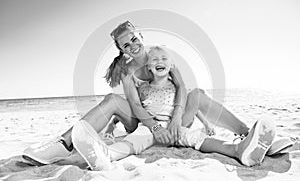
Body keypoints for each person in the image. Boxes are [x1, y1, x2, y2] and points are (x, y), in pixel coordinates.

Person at [22, 21, 251, 165]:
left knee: (199, 93)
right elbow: (134, 103)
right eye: (126, 45)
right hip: (141, 121)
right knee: (112, 99)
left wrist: (177, 118)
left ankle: (246, 133)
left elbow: (182, 87)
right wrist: (154, 127)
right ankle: (63, 144)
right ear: (122, 51)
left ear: (140, 35)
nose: (133, 45)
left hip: (174, 118)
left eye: (134, 39)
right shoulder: (126, 70)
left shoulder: (161, 56)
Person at [71, 46, 276, 170]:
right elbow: (133, 109)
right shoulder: (143, 87)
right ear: (149, 68)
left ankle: (240, 148)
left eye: (164, 59)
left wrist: (203, 123)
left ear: (171, 66)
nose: (159, 62)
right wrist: (111, 127)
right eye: (154, 60)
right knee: (132, 142)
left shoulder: (176, 85)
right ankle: (105, 155)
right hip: (150, 127)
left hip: (175, 128)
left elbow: (193, 106)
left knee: (199, 139)